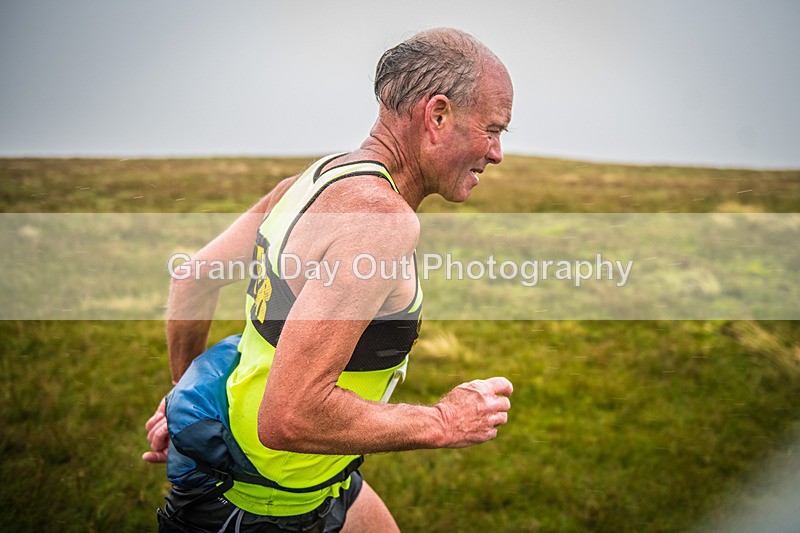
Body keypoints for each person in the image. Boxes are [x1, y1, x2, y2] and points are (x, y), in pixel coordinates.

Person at [143, 27, 514, 532]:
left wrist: (181, 394)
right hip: (259, 504)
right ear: (438, 115)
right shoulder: (381, 223)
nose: (496, 153)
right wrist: (443, 422)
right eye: (492, 130)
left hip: (308, 473)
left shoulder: (311, 181)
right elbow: (291, 415)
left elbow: (193, 279)